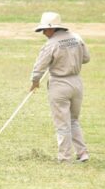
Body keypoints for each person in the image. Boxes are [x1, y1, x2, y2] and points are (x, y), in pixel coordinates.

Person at [30, 12, 90, 163]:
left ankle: (64, 158)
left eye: (44, 29)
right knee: (73, 120)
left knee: (62, 123)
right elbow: (86, 58)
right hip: (76, 83)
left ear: (53, 28)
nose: (43, 33)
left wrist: (35, 81)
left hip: (59, 84)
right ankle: (82, 153)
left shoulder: (51, 44)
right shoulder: (76, 37)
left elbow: (39, 67)